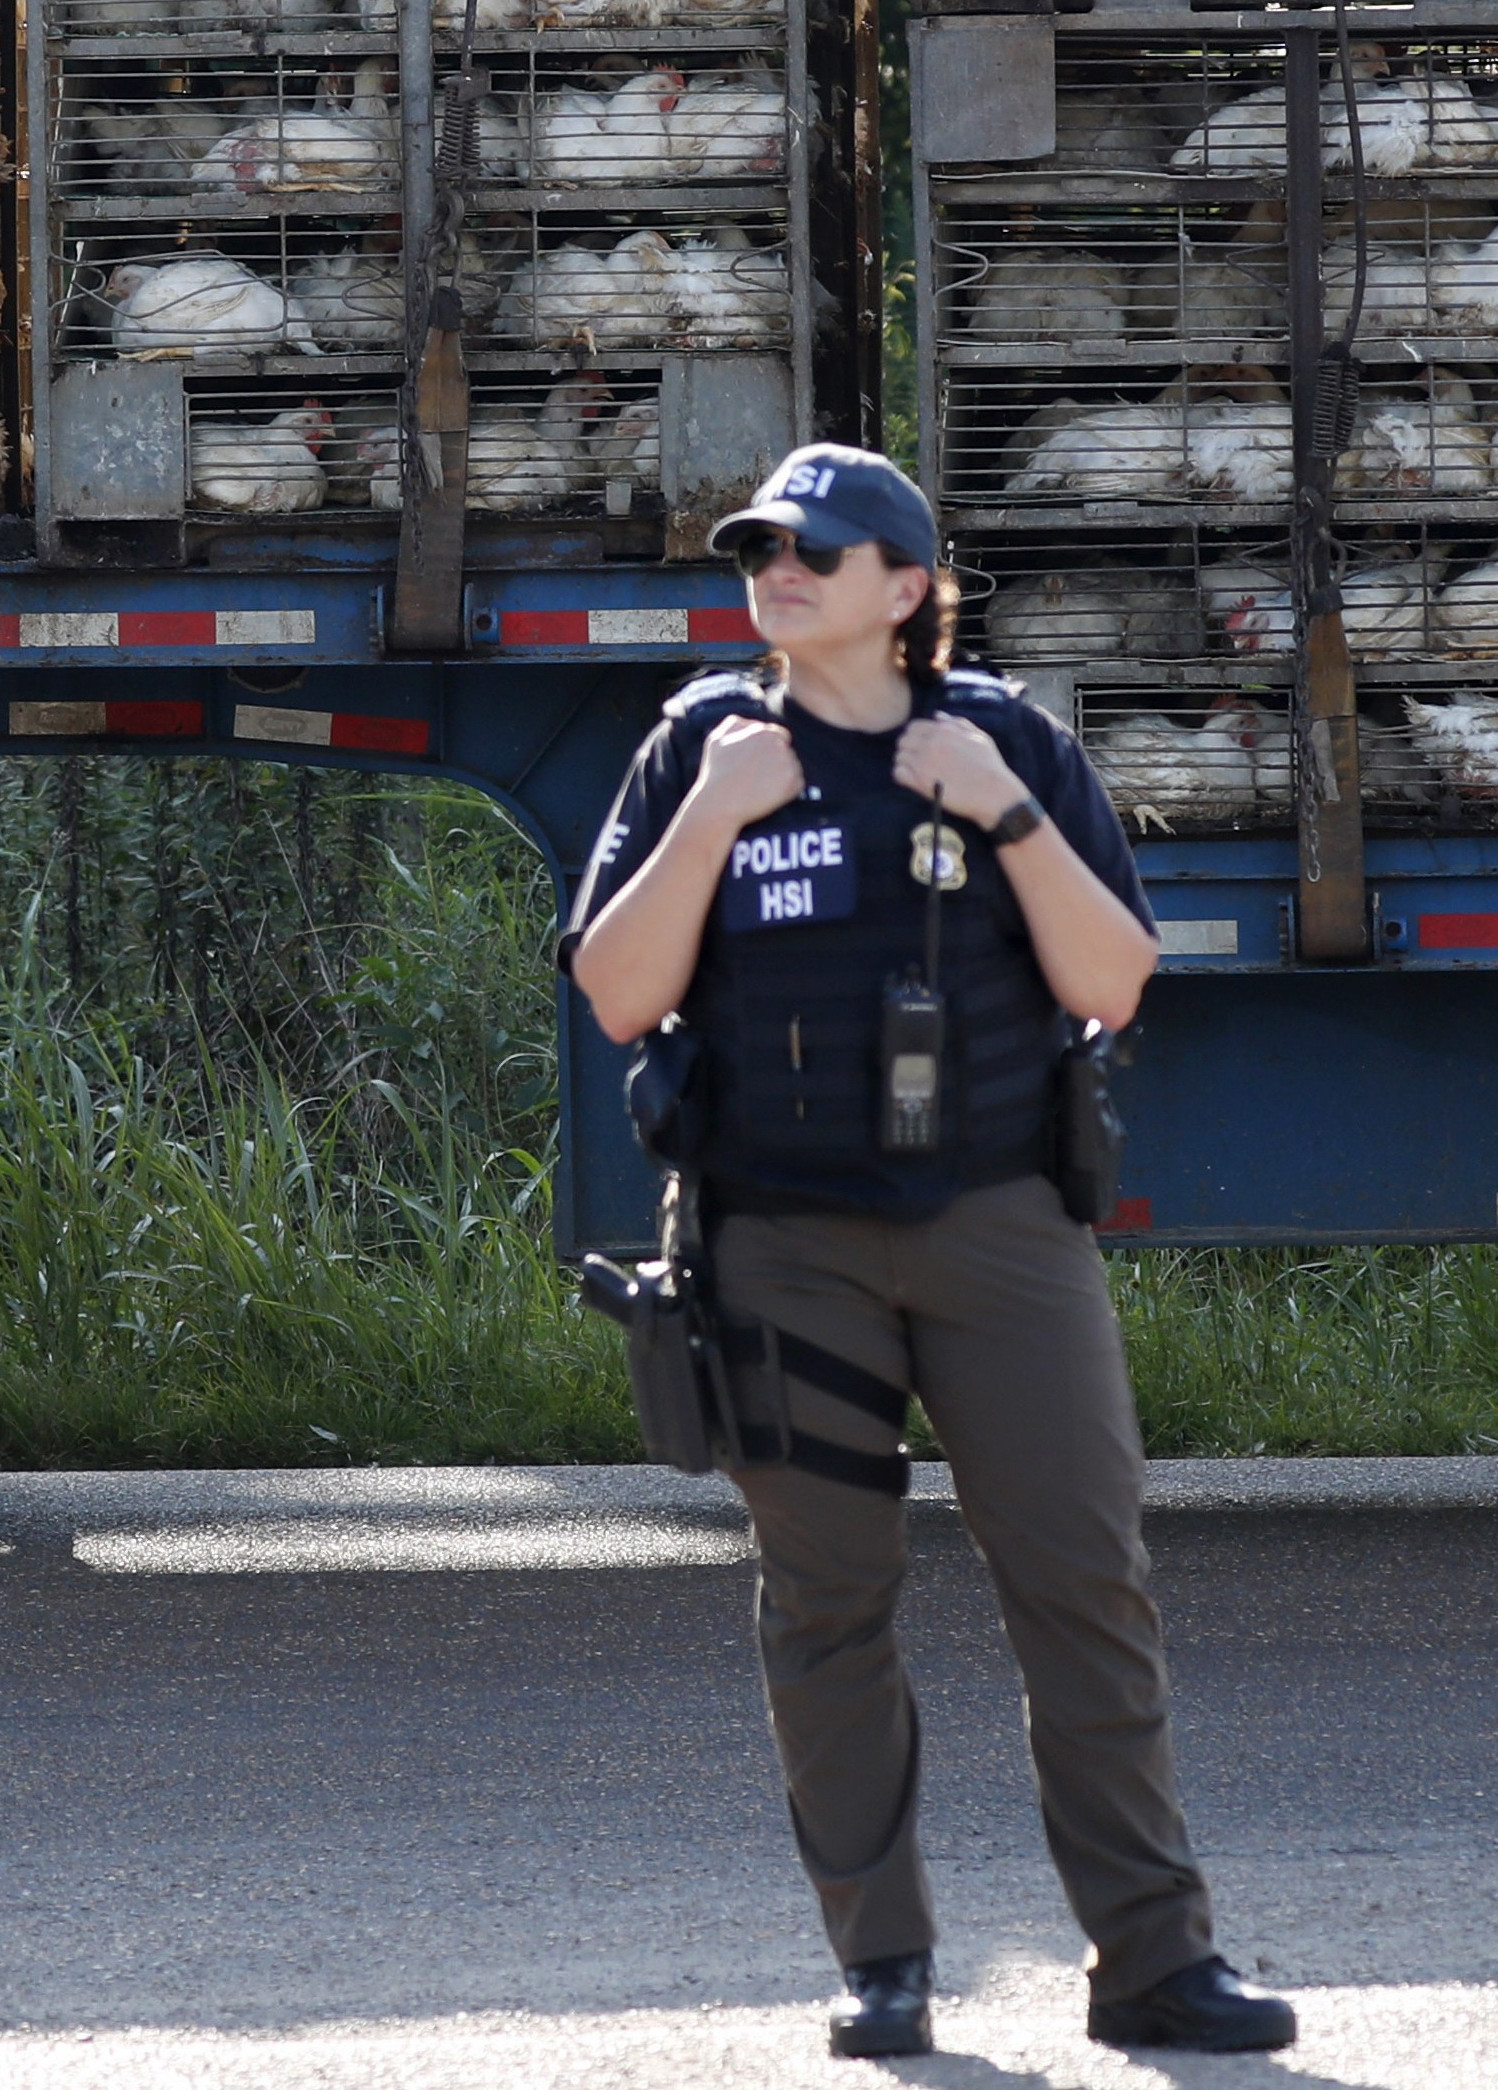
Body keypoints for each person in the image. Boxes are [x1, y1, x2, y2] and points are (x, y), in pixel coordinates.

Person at [563, 444, 1297, 2061]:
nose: (777, 571)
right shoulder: (701, 742)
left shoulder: (1008, 737)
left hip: (996, 1228)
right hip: (780, 1246)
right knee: (828, 1602)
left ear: (906, 590)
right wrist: (713, 817)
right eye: (761, 547)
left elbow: (1116, 978)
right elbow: (617, 993)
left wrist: (1005, 810)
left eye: (814, 550)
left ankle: (1156, 1960)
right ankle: (883, 1962)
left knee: (1084, 1586)